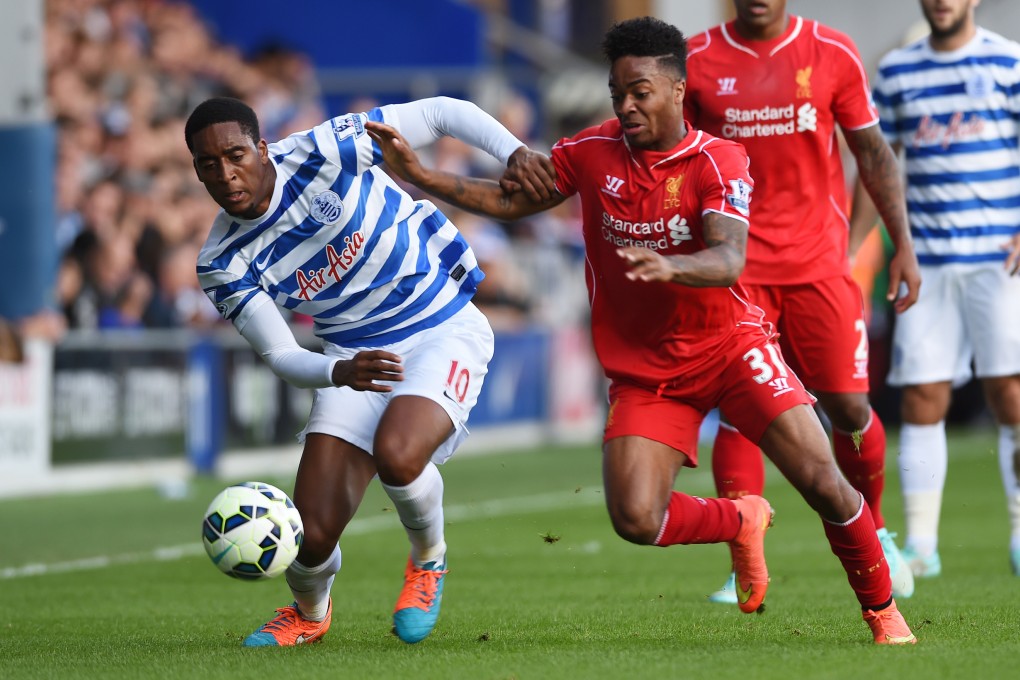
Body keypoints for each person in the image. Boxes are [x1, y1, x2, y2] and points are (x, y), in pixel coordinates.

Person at [366, 16, 917, 645]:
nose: (626, 106)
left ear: (679, 90)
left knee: (823, 480)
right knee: (634, 517)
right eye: (617, 94)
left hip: (732, 347)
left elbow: (730, 257)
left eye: (640, 92)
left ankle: (882, 612)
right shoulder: (590, 153)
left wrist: (672, 265)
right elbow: (511, 201)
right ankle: (740, 519)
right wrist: (422, 175)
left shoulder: (719, 158)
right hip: (647, 372)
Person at [185, 95, 554, 646]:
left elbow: (442, 113)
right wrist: (339, 373)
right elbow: (280, 355)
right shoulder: (223, 261)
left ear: (261, 148)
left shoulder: (324, 150)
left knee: (400, 453)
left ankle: (429, 560)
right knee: (307, 536)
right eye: (207, 164)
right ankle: (310, 615)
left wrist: (515, 151)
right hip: (353, 361)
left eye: (235, 154)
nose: (225, 173)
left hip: (441, 326)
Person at [683, 0, 922, 603]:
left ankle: (878, 531)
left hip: (820, 265)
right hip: (739, 268)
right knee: (740, 409)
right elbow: (676, 161)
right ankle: (743, 558)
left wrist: (902, 246)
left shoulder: (832, 51)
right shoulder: (697, 60)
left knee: (848, 406)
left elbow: (872, 154)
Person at [851, 0, 1020, 577]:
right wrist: (853, 246)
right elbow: (877, 161)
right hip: (923, 261)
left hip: (1000, 260)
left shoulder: (1008, 63)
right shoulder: (898, 70)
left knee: (1010, 394)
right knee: (922, 396)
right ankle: (921, 547)